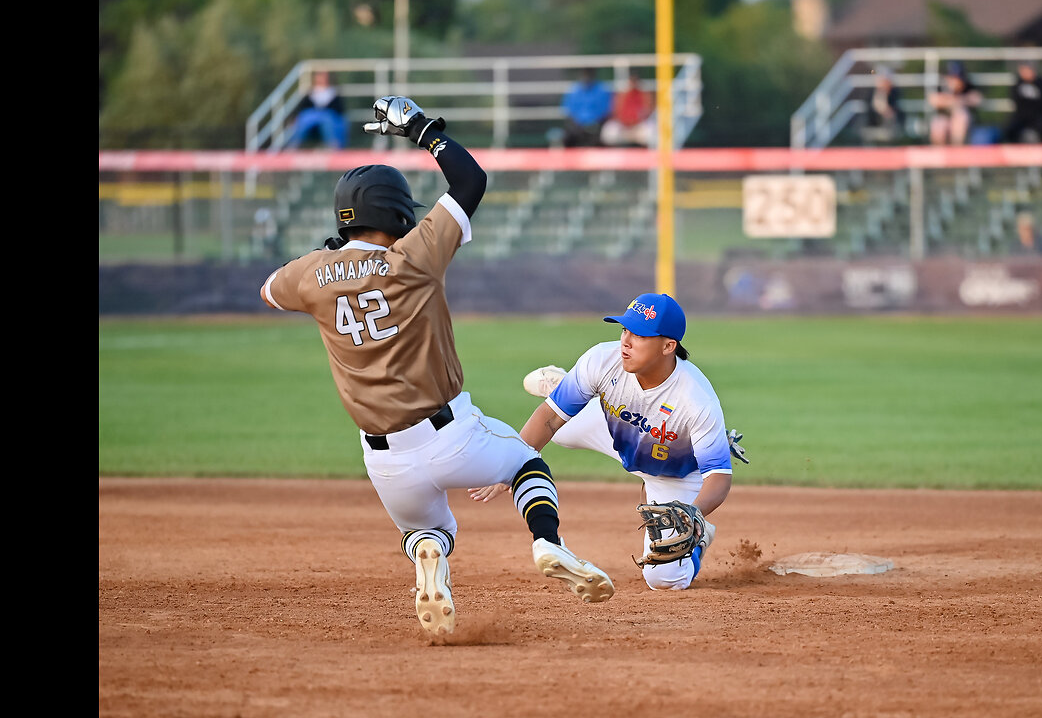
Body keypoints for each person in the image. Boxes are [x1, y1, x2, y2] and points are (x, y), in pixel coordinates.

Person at [258, 96, 614, 636]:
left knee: (428, 528)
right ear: (397, 213)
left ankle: (429, 555)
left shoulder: (310, 275)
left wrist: (331, 258)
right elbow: (470, 182)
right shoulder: (413, 256)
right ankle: (548, 543)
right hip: (449, 436)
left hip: (383, 459)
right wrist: (423, 129)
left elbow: (269, 290)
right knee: (526, 466)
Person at [469, 293, 746, 591]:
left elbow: (718, 477)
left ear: (668, 346)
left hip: (674, 471)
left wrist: (694, 514)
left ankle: (701, 536)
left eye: (639, 335)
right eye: (625, 329)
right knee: (559, 428)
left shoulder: (696, 400)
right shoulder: (603, 359)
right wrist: (510, 466)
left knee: (663, 579)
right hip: (616, 429)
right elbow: (548, 419)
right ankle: (567, 386)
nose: (625, 340)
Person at [285, 71, 349, 150]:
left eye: (323, 76)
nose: (321, 79)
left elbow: (340, 111)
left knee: (326, 119)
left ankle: (332, 146)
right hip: (312, 120)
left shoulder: (334, 94)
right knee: (304, 119)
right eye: (319, 76)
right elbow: (301, 108)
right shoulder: (310, 93)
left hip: (328, 119)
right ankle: (294, 145)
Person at [928, 62, 983, 146]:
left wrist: (954, 101)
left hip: (964, 126)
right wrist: (954, 100)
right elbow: (933, 100)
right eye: (952, 77)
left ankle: (956, 151)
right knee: (939, 124)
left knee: (960, 117)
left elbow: (977, 99)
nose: (955, 81)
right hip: (945, 121)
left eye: (957, 78)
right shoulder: (942, 86)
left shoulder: (967, 86)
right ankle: (939, 153)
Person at [1003, 62, 1042, 144]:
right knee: (1009, 130)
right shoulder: (1017, 83)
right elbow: (1015, 101)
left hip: (1036, 116)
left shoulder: (1040, 83)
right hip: (1021, 116)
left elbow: (1041, 103)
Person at [561, 68, 613, 147]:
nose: (586, 77)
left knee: (602, 137)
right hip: (577, 126)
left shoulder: (601, 90)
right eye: (584, 75)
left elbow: (606, 111)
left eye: (588, 75)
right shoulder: (574, 90)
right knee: (567, 136)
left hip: (597, 125)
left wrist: (595, 124)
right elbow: (568, 111)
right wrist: (578, 124)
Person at [601, 74, 655, 148]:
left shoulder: (644, 95)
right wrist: (625, 122)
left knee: (650, 131)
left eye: (635, 82)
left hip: (638, 126)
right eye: (631, 82)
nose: (633, 84)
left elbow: (647, 112)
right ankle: (613, 153)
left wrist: (635, 121)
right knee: (609, 131)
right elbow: (616, 112)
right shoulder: (622, 95)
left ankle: (646, 153)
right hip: (623, 126)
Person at [860, 66, 904, 145]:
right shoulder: (871, 92)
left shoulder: (894, 92)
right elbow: (870, 108)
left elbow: (895, 109)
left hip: (890, 123)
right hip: (874, 121)